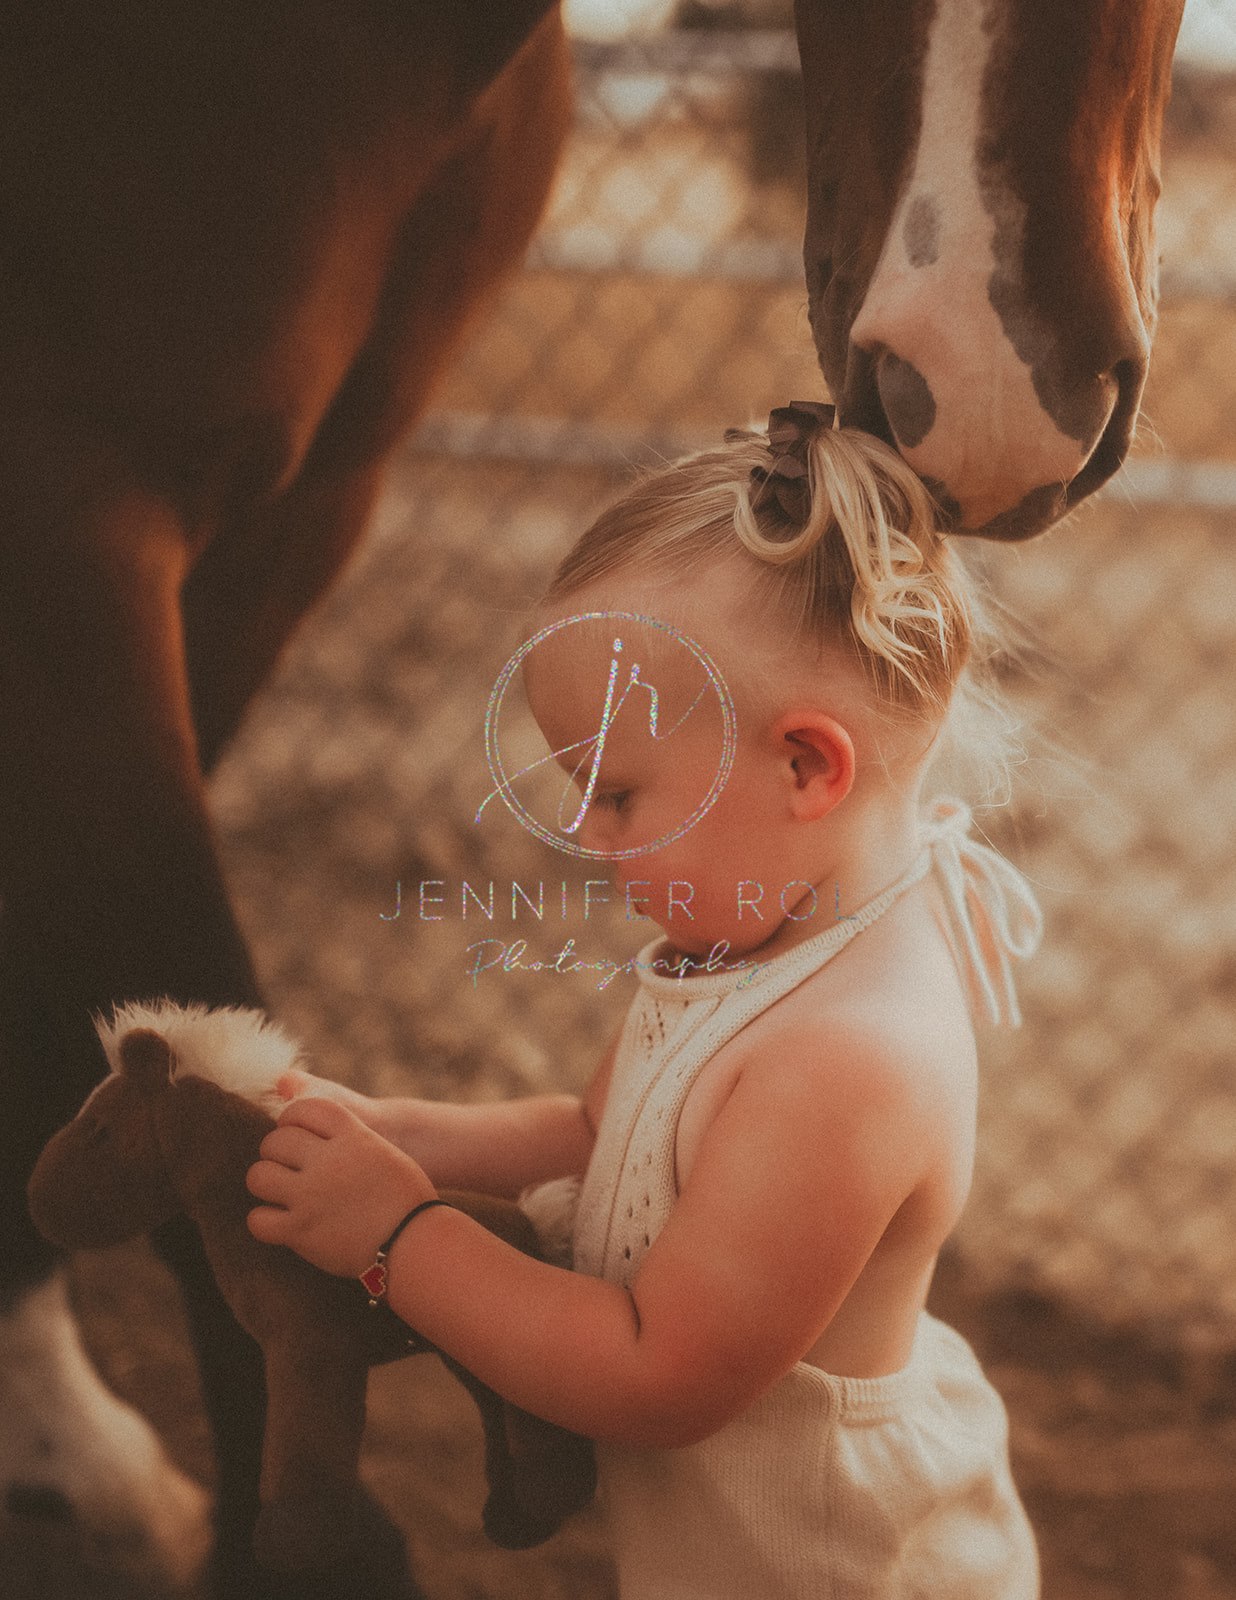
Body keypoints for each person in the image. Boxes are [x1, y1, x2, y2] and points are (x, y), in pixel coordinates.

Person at [246, 402, 1044, 1598]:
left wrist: (398, 1239)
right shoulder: (755, 935)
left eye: (617, 794)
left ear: (805, 766)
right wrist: (396, 1132)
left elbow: (657, 1369)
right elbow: (594, 1133)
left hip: (835, 1570)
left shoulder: (848, 1060)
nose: (582, 831)